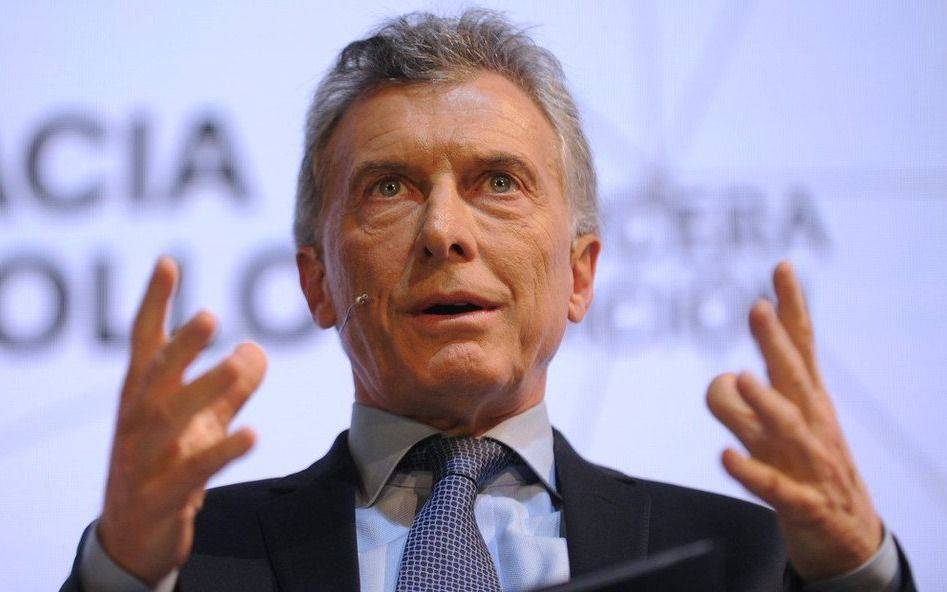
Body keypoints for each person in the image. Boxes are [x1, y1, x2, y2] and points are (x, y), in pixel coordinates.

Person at [61, 10, 914, 592]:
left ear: (581, 273)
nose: (443, 231)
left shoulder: (745, 561)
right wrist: (123, 575)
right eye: (389, 187)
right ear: (316, 281)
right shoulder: (185, 560)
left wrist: (855, 571)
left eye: (497, 182)